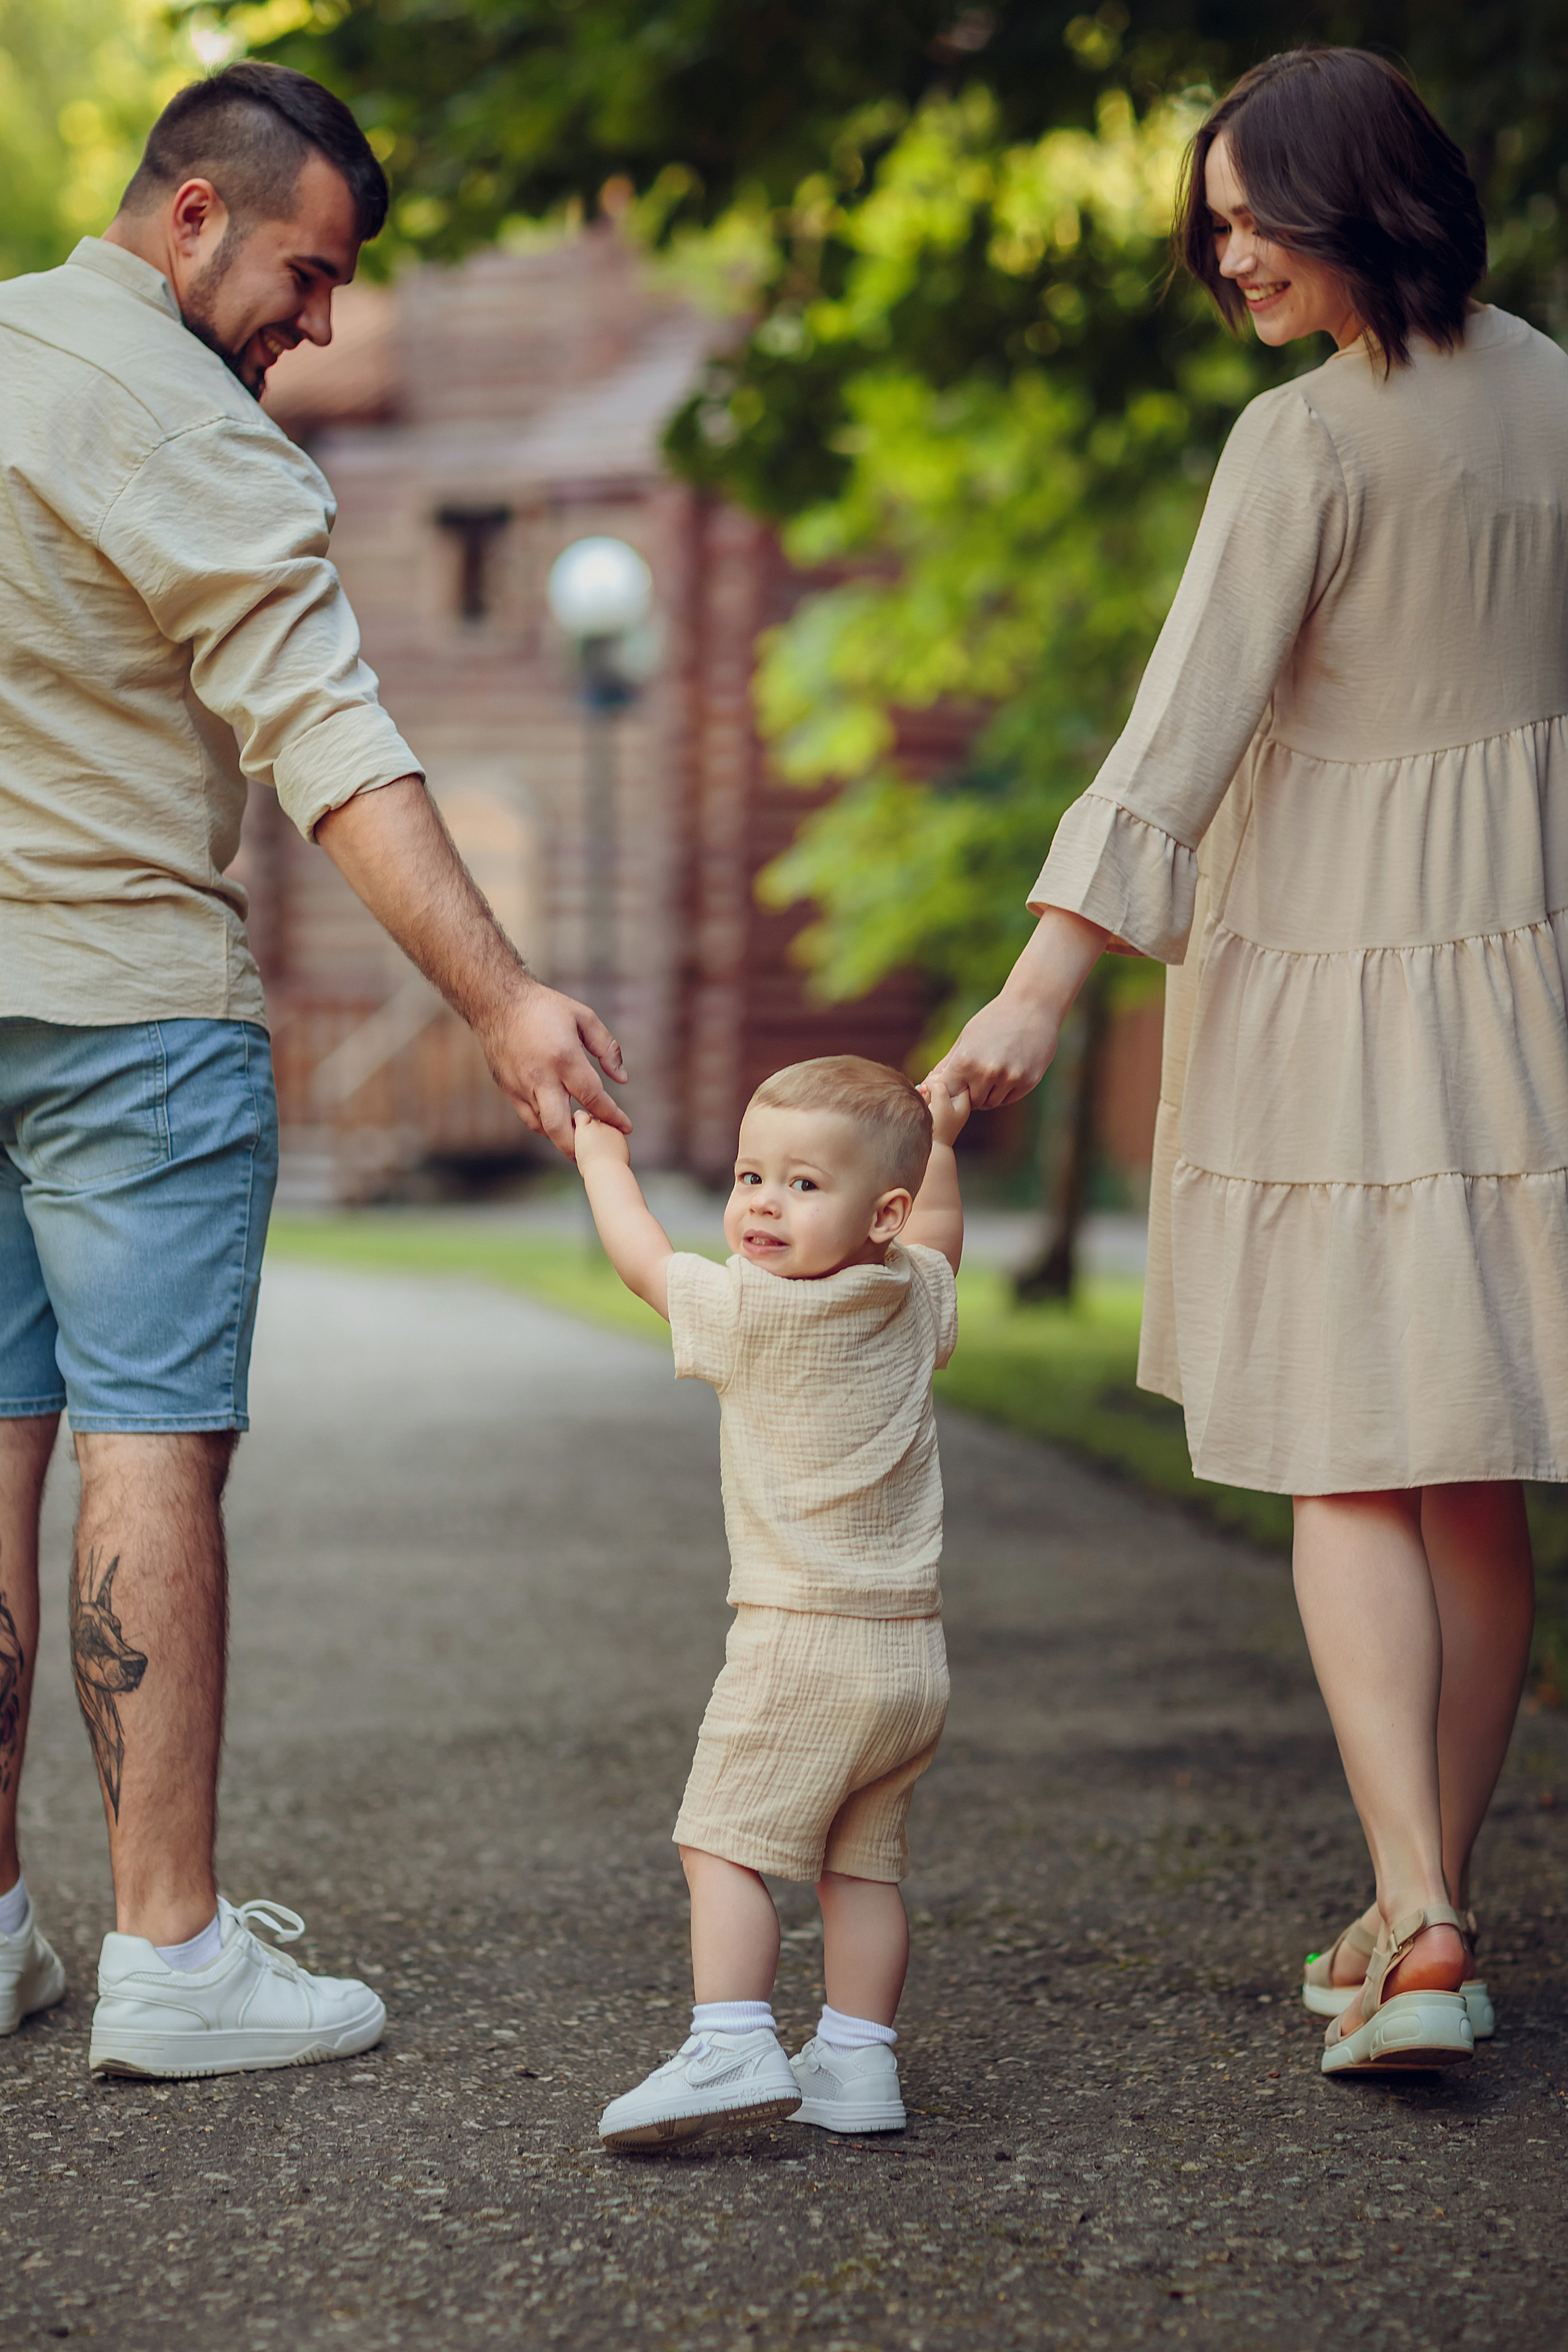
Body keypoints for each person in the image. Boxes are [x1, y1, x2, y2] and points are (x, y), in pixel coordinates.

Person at [930, 45, 1562, 2079]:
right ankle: (1415, 1915)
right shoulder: (1560, 392)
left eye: (1247, 216)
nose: (1228, 259)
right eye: (1208, 232)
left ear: (1350, 194)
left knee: (1342, 1446)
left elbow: (1179, 731)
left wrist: (1045, 978)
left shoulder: (1309, 442)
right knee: (1466, 1457)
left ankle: (1431, 1911)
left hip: (1332, 971)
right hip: (1526, 974)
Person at [0, 61, 628, 2079]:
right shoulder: (192, 431)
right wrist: (507, 1001)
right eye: (307, 269)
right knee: (149, 1450)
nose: (324, 323)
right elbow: (336, 749)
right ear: (194, 216)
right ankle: (171, 1962)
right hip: (124, 1015)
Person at [572, 1057, 967, 2147]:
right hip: (910, 1664)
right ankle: (855, 2064)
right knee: (862, 1865)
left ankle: (733, 2040)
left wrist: (600, 1154)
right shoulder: (912, 1292)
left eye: (803, 1184)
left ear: (877, 1212)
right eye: (752, 1175)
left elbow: (646, 1262)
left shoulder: (753, 1312)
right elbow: (942, 1231)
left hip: (802, 1644)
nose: (760, 1203)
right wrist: (947, 1139)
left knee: (722, 1841)